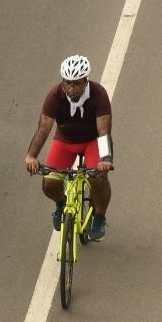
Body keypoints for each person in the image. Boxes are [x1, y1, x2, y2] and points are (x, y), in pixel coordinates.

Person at [24, 55, 113, 241]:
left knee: (98, 178)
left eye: (76, 84)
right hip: (64, 142)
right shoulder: (54, 95)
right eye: (67, 83)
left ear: (85, 80)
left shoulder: (99, 94)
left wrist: (105, 160)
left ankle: (99, 216)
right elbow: (43, 129)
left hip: (92, 141)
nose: (71, 88)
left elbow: (104, 131)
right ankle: (60, 204)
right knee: (49, 182)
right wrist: (31, 156)